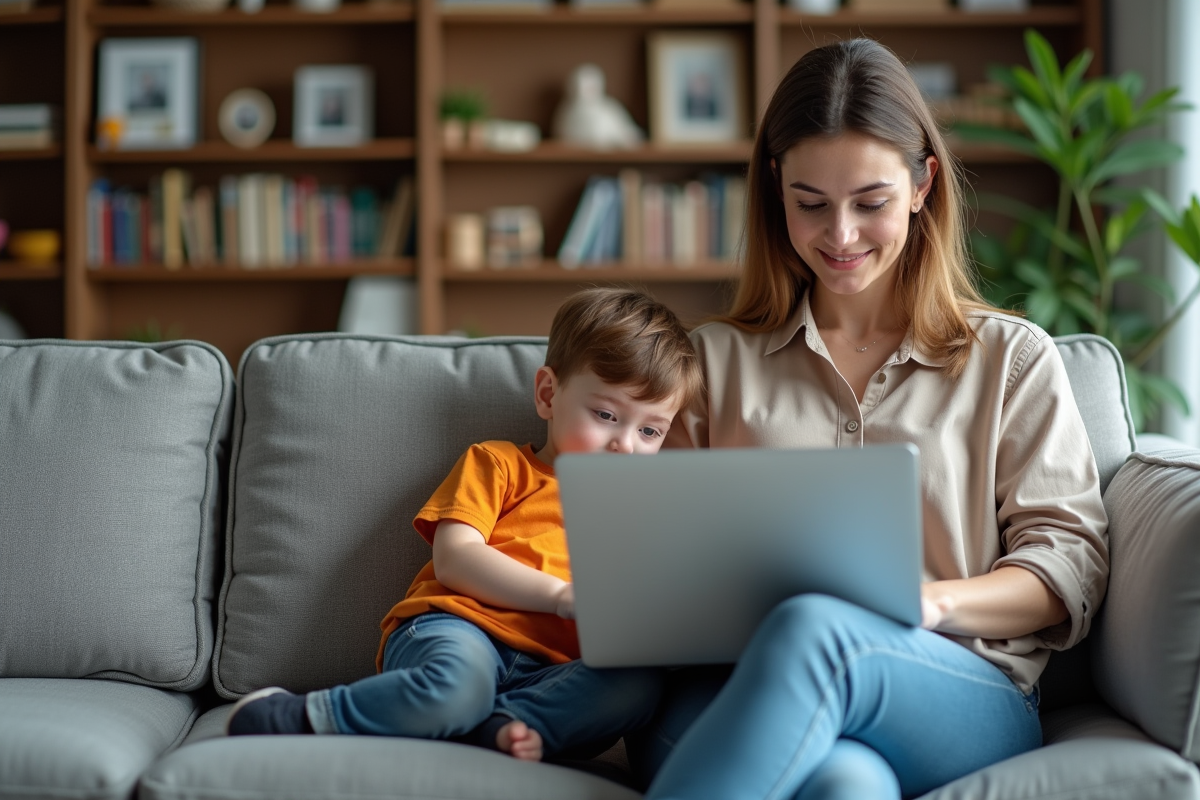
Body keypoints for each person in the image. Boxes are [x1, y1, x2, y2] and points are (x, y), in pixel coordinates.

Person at [633, 38, 1110, 800]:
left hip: (951, 686)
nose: (841, 235)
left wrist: (932, 603)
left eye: (870, 202)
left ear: (922, 185)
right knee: (849, 782)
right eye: (810, 204)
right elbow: (651, 562)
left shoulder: (1010, 360)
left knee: (816, 631)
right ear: (775, 189)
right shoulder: (710, 364)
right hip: (733, 687)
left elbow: (1067, 565)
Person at [226, 287, 703, 763]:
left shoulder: (639, 516)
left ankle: (507, 726)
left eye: (649, 431)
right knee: (458, 689)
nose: (625, 445)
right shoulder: (500, 464)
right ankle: (306, 714)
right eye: (606, 415)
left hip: (552, 672)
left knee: (637, 686)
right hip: (460, 628)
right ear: (547, 394)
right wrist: (559, 596)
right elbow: (456, 559)